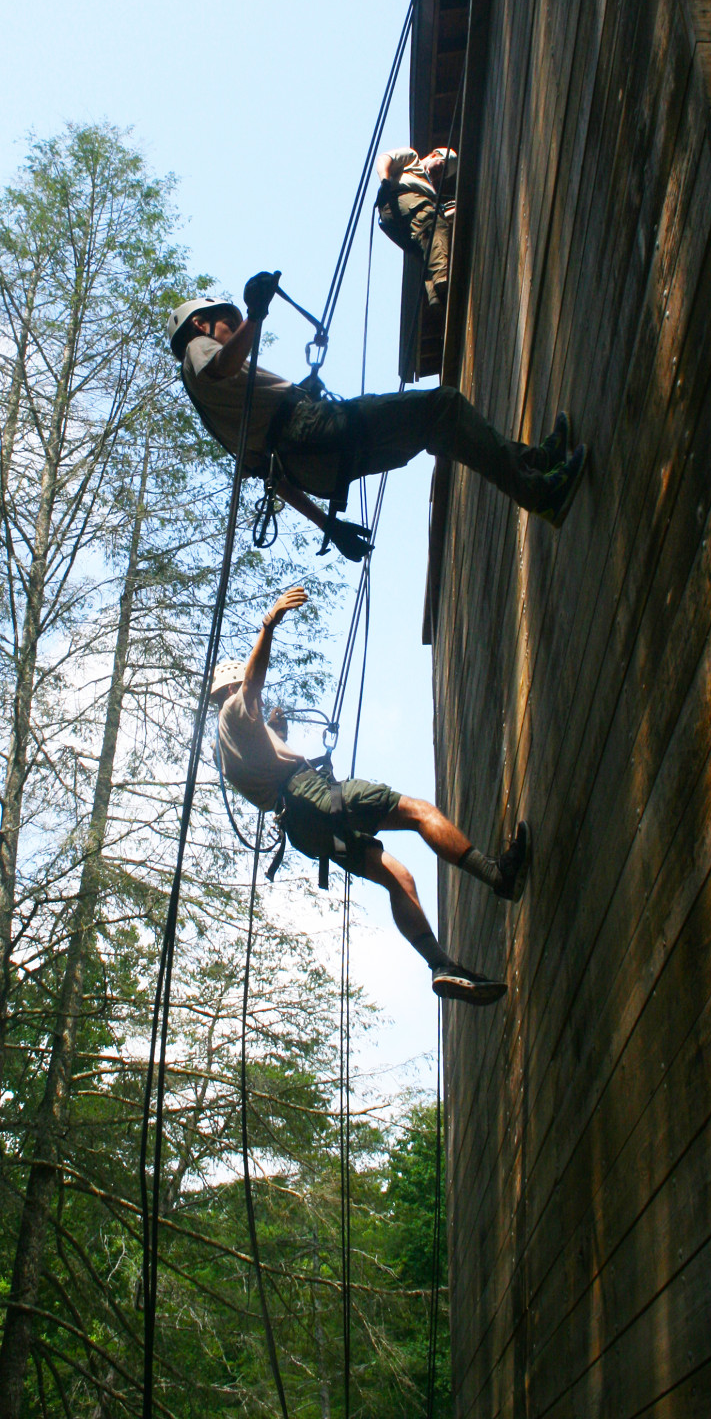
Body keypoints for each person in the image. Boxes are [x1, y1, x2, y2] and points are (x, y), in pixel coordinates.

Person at [213, 584, 530, 1005]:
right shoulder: (233, 709)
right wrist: (269, 624)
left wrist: (278, 735)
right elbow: (252, 684)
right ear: (230, 689)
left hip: (305, 831)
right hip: (312, 796)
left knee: (398, 879)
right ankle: (498, 876)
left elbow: (265, 770)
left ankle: (441, 965)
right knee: (419, 812)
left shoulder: (227, 749)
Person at [167, 274, 587, 562]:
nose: (236, 329)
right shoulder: (196, 350)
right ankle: (539, 492)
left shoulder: (223, 415)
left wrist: (329, 526)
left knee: (437, 423)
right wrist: (256, 314)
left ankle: (533, 465)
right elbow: (223, 363)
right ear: (201, 324)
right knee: (442, 406)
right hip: (313, 432)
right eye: (229, 323)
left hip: (315, 461)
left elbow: (272, 477)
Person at [375, 145, 456, 309]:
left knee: (425, 251)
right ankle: (442, 279)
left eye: (444, 173)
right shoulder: (413, 159)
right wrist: (385, 181)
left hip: (398, 220)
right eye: (442, 166)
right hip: (400, 199)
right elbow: (385, 158)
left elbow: (438, 222)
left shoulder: (429, 191)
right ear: (434, 155)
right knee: (431, 220)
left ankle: (436, 297)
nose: (440, 173)